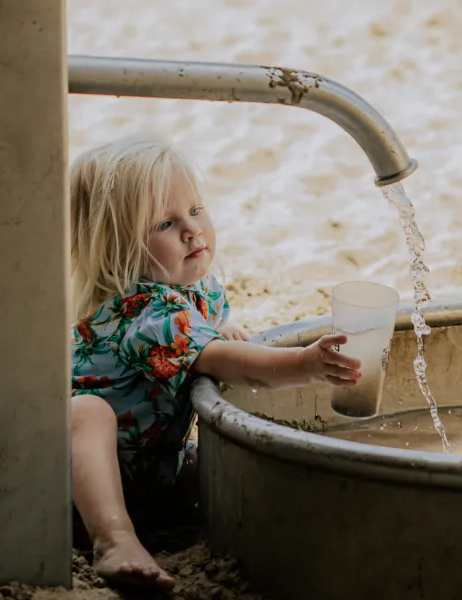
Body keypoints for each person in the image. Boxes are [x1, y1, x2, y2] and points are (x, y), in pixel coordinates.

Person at [68, 132, 362, 589]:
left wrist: (216, 333)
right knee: (85, 412)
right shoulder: (147, 312)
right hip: (73, 493)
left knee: (217, 467)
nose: (192, 229)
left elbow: (204, 344)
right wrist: (304, 364)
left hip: (149, 476)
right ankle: (114, 540)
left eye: (195, 210)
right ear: (116, 248)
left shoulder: (195, 295)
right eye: (163, 224)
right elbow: (230, 363)